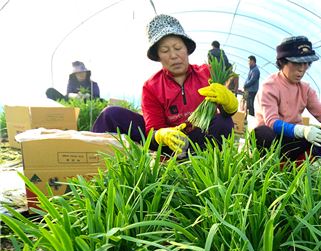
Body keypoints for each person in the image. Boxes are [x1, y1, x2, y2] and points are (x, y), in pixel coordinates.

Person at [92, 14, 237, 157]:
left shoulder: (207, 73)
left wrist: (229, 105)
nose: (173, 55)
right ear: (158, 56)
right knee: (111, 115)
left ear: (187, 49)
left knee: (223, 121)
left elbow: (225, 112)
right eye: (165, 50)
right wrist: (162, 134)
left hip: (201, 139)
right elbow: (153, 129)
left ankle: (205, 161)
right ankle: (92, 159)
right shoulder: (151, 86)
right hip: (169, 143)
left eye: (178, 48)